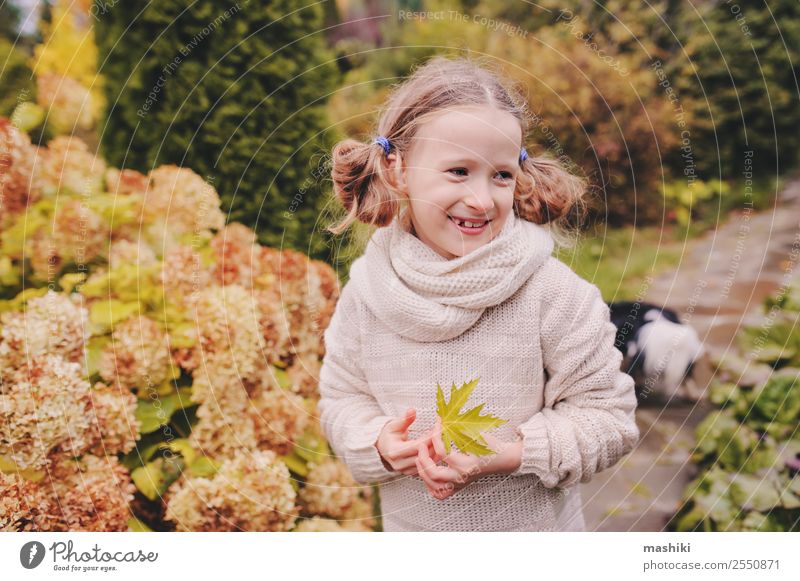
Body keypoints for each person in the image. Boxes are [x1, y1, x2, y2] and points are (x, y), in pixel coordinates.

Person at [317, 55, 640, 532]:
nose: (482, 199)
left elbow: (609, 419)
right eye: (458, 171)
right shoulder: (367, 295)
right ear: (396, 168)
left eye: (502, 175)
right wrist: (380, 441)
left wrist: (513, 455)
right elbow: (340, 402)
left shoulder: (553, 295)